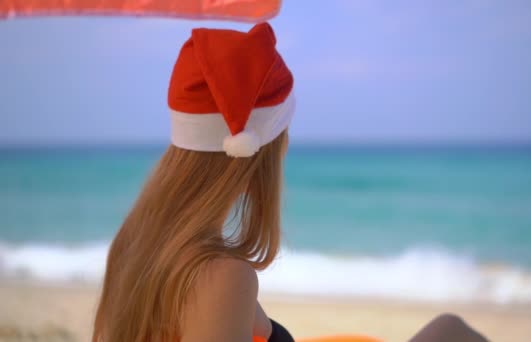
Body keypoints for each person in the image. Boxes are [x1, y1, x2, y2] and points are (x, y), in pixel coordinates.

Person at [92, 22, 487, 342]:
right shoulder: (220, 276)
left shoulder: (135, 244)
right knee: (450, 331)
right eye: (283, 135)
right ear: (255, 159)